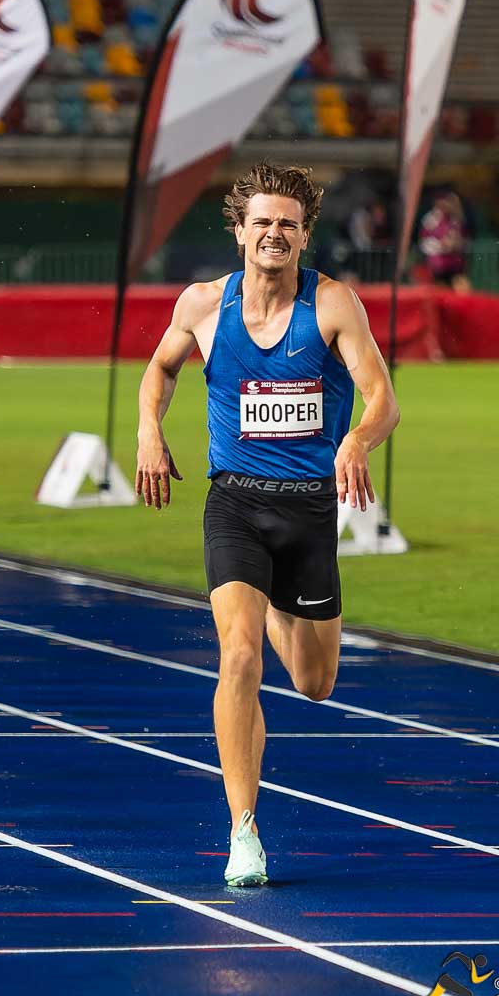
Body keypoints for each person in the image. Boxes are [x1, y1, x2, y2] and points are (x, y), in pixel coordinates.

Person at [134, 162, 400, 886]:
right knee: (239, 658)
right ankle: (243, 831)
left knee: (315, 683)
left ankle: (282, 601)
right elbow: (160, 370)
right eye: (262, 222)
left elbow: (382, 399)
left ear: (305, 232)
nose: (274, 233)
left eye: (287, 223)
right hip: (235, 502)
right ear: (240, 230)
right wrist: (148, 432)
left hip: (310, 508)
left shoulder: (335, 305)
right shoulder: (201, 305)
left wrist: (355, 440)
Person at [418, 191, 471, 293]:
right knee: (440, 294)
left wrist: (457, 243)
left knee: (461, 294)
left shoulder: (457, 220)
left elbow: (464, 239)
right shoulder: (430, 219)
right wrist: (441, 246)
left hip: (456, 264)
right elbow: (424, 242)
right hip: (438, 265)